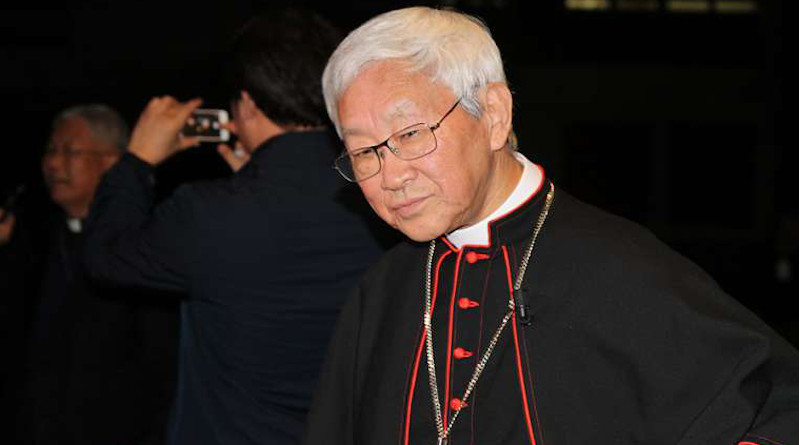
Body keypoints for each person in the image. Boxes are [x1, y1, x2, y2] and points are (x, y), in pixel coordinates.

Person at [302, 7, 797, 445]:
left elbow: (781, 407)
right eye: (365, 151)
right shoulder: (382, 292)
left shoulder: (619, 266)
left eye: (410, 134)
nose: (391, 175)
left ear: (494, 115)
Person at [83, 8, 391, 445]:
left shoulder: (205, 213)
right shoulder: (385, 196)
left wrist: (137, 161)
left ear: (246, 103)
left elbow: (105, 256)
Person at [0, 104, 178, 445]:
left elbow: (162, 368)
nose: (53, 163)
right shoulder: (33, 241)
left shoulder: (142, 247)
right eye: (51, 150)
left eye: (71, 151)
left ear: (112, 162)